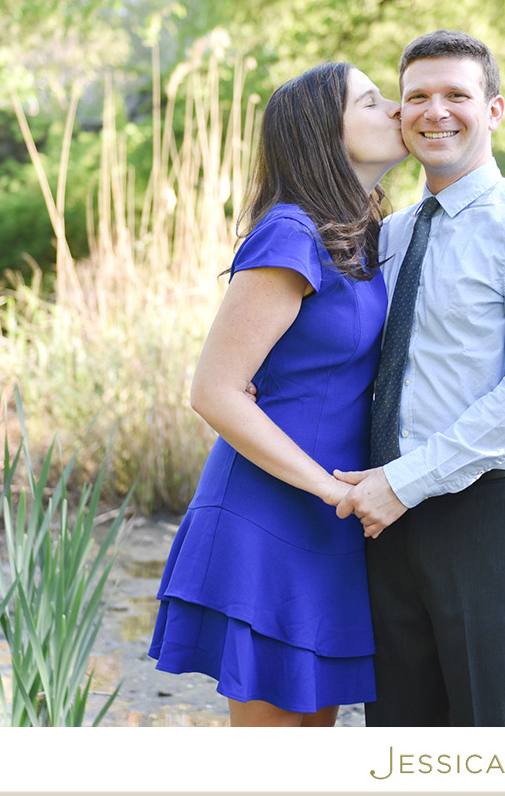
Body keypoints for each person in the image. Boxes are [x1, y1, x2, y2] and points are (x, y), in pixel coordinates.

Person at [333, 29, 505, 727]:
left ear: (495, 110)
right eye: (416, 95)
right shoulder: (387, 234)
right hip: (393, 524)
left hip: (496, 518)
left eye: (457, 95)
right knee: (403, 736)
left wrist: (403, 480)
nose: (434, 111)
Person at [149, 61, 408, 727]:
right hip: (270, 513)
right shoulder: (290, 232)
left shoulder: (366, 235)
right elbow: (214, 390)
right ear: (327, 131)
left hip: (332, 522)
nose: (396, 109)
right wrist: (329, 488)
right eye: (373, 102)